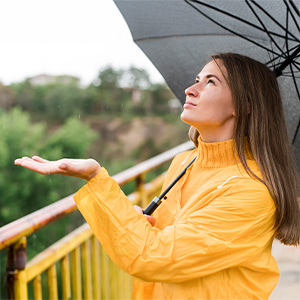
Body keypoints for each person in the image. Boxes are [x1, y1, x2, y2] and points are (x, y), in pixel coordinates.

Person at [15, 53, 300, 300]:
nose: (190, 89)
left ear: (245, 104)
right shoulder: (184, 162)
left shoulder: (251, 192)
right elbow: (164, 241)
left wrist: (96, 178)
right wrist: (143, 224)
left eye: (210, 82)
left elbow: (153, 257)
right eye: (197, 79)